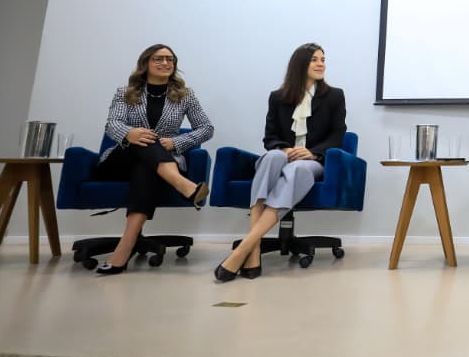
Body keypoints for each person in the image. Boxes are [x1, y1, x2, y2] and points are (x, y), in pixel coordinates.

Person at [214, 43, 346, 282]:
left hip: (312, 161)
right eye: (314, 59)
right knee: (272, 156)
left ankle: (244, 250)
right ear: (300, 65)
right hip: (282, 156)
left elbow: (338, 135)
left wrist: (313, 153)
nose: (321, 64)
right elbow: (270, 137)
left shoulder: (334, 96)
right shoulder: (277, 97)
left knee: (297, 170)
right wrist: (284, 149)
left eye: (323, 59)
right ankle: (253, 252)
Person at [93, 44, 214, 275]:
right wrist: (130, 133)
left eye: (170, 59)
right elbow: (113, 124)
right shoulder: (125, 92)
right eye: (159, 59)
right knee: (145, 140)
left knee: (145, 169)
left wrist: (177, 143)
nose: (165, 63)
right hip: (120, 160)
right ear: (146, 63)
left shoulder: (185, 96)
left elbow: (206, 128)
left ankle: (123, 250)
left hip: (153, 165)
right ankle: (184, 186)